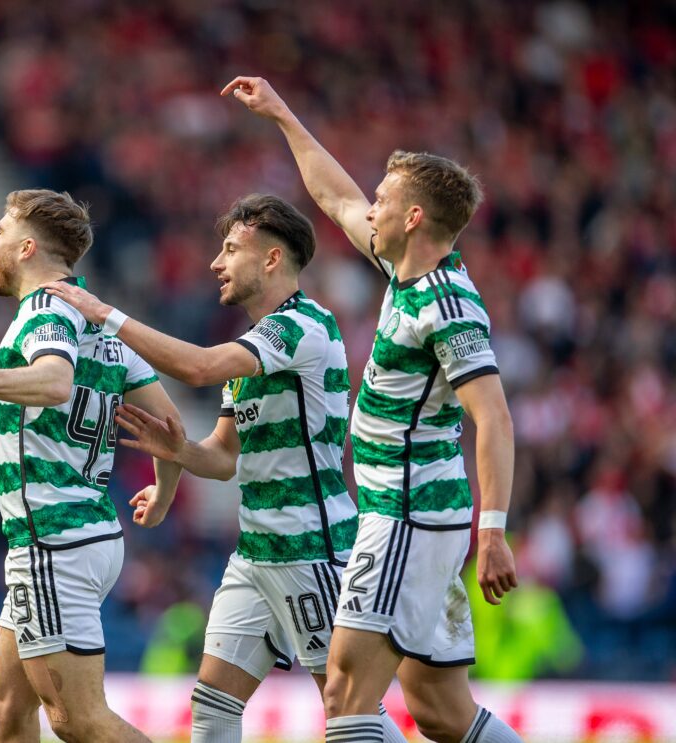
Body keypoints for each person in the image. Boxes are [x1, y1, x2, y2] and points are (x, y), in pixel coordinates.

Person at [222, 76, 522, 743]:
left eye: (384, 199)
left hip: (409, 515)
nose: (371, 207)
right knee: (439, 710)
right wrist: (283, 115)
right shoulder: (405, 274)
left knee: (346, 691)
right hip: (409, 515)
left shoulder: (448, 306)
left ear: (413, 218)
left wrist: (493, 530)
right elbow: (336, 197)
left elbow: (495, 418)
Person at [43, 194, 405, 743]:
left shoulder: (303, 326)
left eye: (232, 249)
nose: (216, 263)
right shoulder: (253, 351)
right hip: (256, 554)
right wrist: (178, 451)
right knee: (213, 705)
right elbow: (222, 458)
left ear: (272, 258)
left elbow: (198, 367)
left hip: (311, 547)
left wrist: (106, 315)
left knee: (349, 709)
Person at [0, 188, 182, 743]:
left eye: (0, 231)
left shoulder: (45, 309)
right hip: (87, 534)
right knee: (6, 708)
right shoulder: (100, 323)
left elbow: (54, 381)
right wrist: (164, 492)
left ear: (26, 248)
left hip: (53, 537)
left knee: (78, 720)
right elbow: (170, 427)